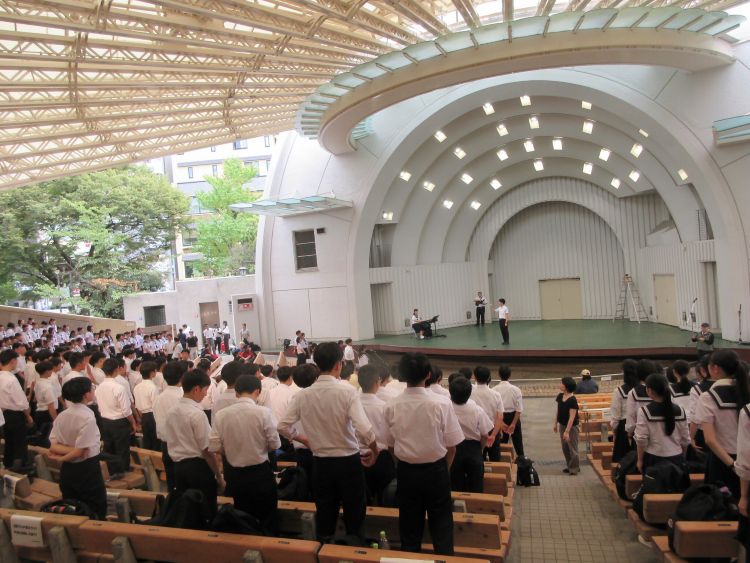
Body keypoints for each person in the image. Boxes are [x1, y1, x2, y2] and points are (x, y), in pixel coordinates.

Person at [278, 341, 378, 542]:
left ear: (317, 364)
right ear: (338, 365)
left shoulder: (303, 395)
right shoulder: (347, 392)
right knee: (354, 513)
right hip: (348, 462)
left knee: (325, 514)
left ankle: (325, 547)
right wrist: (374, 450)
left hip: (321, 463)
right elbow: (364, 429)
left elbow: (282, 426)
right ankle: (354, 546)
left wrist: (302, 438)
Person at [383, 352, 463, 555]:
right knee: (442, 527)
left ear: (401, 375)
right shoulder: (441, 403)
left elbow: (390, 446)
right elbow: (452, 446)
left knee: (409, 529)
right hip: (436, 471)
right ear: (428, 374)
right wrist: (444, 470)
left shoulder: (391, 405)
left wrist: (402, 464)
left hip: (406, 472)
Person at [210, 373, 280, 533]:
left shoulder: (221, 415)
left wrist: (232, 450)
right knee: (267, 516)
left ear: (236, 393)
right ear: (258, 391)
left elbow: (214, 447)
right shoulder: (264, 413)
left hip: (234, 475)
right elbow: (275, 444)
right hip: (260, 473)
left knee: (242, 518)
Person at [164, 368, 224, 525]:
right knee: (206, 511)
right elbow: (207, 450)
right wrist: (218, 476)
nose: (205, 394)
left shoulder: (171, 412)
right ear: (196, 389)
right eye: (205, 390)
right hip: (198, 469)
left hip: (178, 468)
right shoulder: (196, 414)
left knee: (187, 511)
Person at [693, 349, 750, 500]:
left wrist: (733, 465)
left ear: (715, 368)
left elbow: (710, 440)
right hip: (747, 459)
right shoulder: (745, 391)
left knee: (721, 506)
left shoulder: (708, 397)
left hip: (722, 462)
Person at [48, 378, 107, 519]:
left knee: (72, 506)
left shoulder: (62, 415)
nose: (93, 391)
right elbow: (81, 452)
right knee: (95, 506)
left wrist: (67, 453)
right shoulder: (87, 417)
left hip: (68, 470)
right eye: (92, 389)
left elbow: (54, 445)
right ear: (86, 395)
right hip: (87, 469)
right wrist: (69, 454)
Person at [634, 373, 690, 474]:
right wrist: (683, 457)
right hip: (677, 458)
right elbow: (685, 439)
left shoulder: (644, 411)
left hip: (654, 458)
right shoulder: (681, 410)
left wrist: (640, 460)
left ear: (649, 390)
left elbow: (641, 439)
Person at [357, 364, 396, 506]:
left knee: (361, 498)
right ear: (377, 382)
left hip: (356, 457)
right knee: (384, 496)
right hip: (381, 457)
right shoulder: (385, 407)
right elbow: (391, 438)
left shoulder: (351, 405)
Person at [449, 376, 492, 493]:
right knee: (476, 485)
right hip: (473, 448)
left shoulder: (446, 408)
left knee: (455, 486)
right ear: (469, 393)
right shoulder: (477, 410)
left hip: (453, 446)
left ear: (450, 392)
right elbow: (485, 435)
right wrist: (480, 449)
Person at [95, 358, 136, 473]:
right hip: (119, 422)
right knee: (122, 449)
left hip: (105, 421)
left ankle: (112, 471)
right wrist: (133, 422)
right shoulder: (118, 387)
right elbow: (126, 410)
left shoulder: (99, 387)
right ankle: (123, 471)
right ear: (117, 369)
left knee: (109, 447)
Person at [153, 360, 187, 490]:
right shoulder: (183, 397)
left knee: (171, 481)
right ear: (182, 376)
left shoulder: (159, 398)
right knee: (184, 483)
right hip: (182, 445)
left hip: (165, 444)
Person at [0, 349, 32, 470]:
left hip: (3, 414)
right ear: (12, 361)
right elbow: (21, 402)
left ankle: (7, 464)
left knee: (9, 441)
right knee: (20, 443)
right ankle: (19, 468)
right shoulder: (11, 379)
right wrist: (28, 415)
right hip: (15, 415)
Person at [470, 366, 504, 462]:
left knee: (478, 459)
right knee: (495, 459)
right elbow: (500, 417)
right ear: (489, 377)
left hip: (477, 431)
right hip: (492, 429)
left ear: (474, 377)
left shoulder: (470, 393)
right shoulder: (496, 395)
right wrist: (493, 435)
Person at [610, 359, 638, 463]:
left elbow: (616, 415)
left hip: (624, 428)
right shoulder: (644, 390)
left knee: (623, 461)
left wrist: (614, 431)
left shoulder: (619, 391)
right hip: (642, 425)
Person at [494, 365, 525, 457]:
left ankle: (501, 461)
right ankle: (521, 461)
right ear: (510, 375)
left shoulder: (494, 390)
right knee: (518, 443)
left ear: (499, 374)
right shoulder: (516, 389)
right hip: (513, 416)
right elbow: (519, 409)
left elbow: (494, 409)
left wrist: (501, 423)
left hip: (501, 417)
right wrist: (513, 424)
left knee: (501, 443)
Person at [555, 377, 580, 475]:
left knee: (572, 447)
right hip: (562, 425)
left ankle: (574, 468)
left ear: (566, 386)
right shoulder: (560, 396)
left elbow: (572, 417)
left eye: (562, 383)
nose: (560, 384)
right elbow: (558, 411)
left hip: (571, 427)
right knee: (565, 447)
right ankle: (570, 465)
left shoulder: (572, 400)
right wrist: (555, 423)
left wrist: (567, 431)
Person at [134, 361, 160, 451]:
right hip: (152, 415)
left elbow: (137, 405)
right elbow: (156, 406)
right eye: (155, 370)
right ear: (152, 373)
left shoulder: (137, 387)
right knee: (156, 441)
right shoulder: (153, 387)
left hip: (143, 416)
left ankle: (147, 458)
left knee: (147, 440)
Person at [33, 360, 59, 447]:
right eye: (51, 370)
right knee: (48, 437)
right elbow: (51, 406)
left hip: (40, 411)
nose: (52, 371)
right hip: (47, 413)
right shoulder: (47, 386)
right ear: (47, 371)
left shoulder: (38, 382)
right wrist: (56, 419)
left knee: (43, 435)